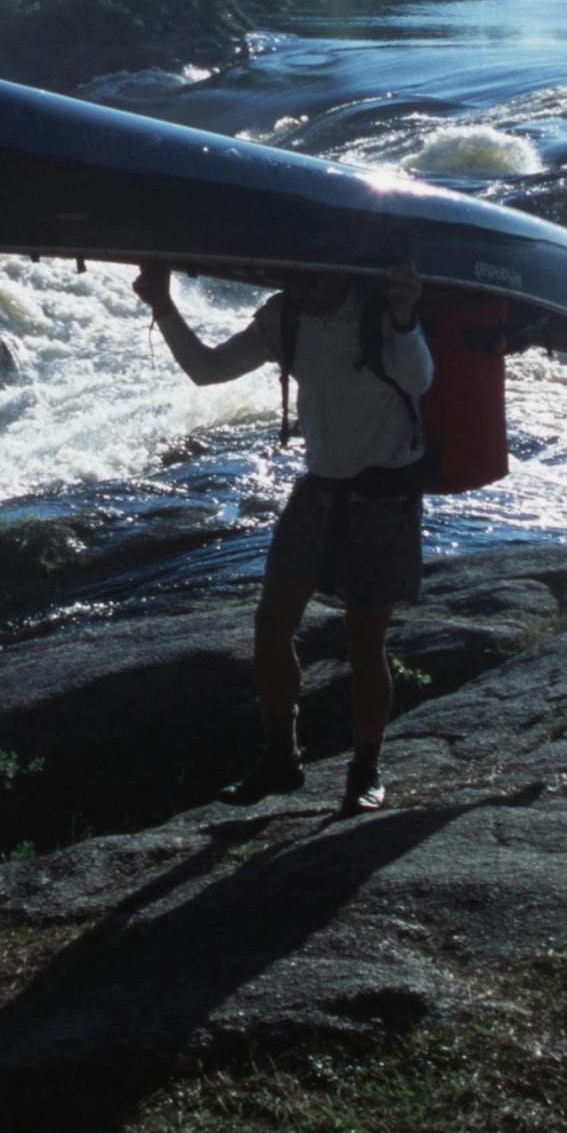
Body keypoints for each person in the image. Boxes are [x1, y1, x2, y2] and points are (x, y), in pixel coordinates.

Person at [132, 262, 432, 815]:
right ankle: (280, 760)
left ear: (340, 271)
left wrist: (407, 317)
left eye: (310, 278)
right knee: (272, 623)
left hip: (383, 497)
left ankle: (365, 770)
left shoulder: (378, 306)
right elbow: (206, 370)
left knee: (364, 640)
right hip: (318, 490)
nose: (301, 288)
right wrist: (163, 306)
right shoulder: (284, 316)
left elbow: (419, 380)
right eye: (290, 279)